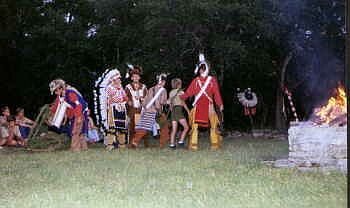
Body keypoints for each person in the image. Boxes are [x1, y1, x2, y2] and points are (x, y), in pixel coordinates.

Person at [180, 53, 224, 150]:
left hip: (207, 105)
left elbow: (216, 93)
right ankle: (195, 145)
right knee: (196, 126)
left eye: (203, 68)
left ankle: (213, 145)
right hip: (201, 105)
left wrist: (220, 104)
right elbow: (189, 92)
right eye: (201, 68)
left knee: (212, 125)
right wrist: (182, 97)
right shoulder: (199, 81)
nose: (202, 70)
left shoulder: (210, 80)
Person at [130, 73, 169, 148]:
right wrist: (168, 102)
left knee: (143, 127)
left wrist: (145, 108)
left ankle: (135, 141)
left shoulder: (151, 88)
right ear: (163, 82)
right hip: (157, 112)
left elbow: (144, 101)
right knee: (164, 127)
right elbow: (161, 102)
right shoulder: (163, 90)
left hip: (147, 110)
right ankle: (162, 144)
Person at [49, 79, 88, 152]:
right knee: (79, 132)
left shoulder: (70, 93)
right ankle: (83, 148)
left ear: (61, 88)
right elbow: (56, 105)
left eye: (56, 91)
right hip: (73, 114)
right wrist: (51, 114)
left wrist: (79, 117)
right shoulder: (60, 96)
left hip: (80, 112)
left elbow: (78, 105)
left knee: (75, 131)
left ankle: (75, 149)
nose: (55, 93)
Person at [124, 64, 149, 147]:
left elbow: (147, 97)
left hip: (141, 109)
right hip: (132, 109)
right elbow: (124, 97)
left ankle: (145, 143)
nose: (135, 78)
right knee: (132, 126)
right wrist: (128, 101)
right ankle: (132, 142)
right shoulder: (128, 87)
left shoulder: (144, 87)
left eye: (137, 76)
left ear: (139, 77)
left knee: (142, 126)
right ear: (131, 78)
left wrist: (143, 99)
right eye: (134, 76)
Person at [105, 69, 129, 150]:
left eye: (119, 79)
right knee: (112, 126)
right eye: (118, 79)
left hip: (121, 108)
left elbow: (125, 98)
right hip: (113, 108)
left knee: (121, 126)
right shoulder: (109, 87)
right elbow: (112, 99)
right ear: (114, 79)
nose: (119, 80)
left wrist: (123, 97)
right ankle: (110, 144)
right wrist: (119, 92)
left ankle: (122, 144)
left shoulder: (120, 87)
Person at [168, 78, 190, 149]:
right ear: (178, 84)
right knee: (186, 127)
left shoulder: (171, 92)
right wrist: (188, 111)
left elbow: (170, 104)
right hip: (178, 110)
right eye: (180, 83)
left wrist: (172, 109)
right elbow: (183, 103)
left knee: (174, 129)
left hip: (173, 110)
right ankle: (181, 141)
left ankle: (172, 144)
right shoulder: (181, 92)